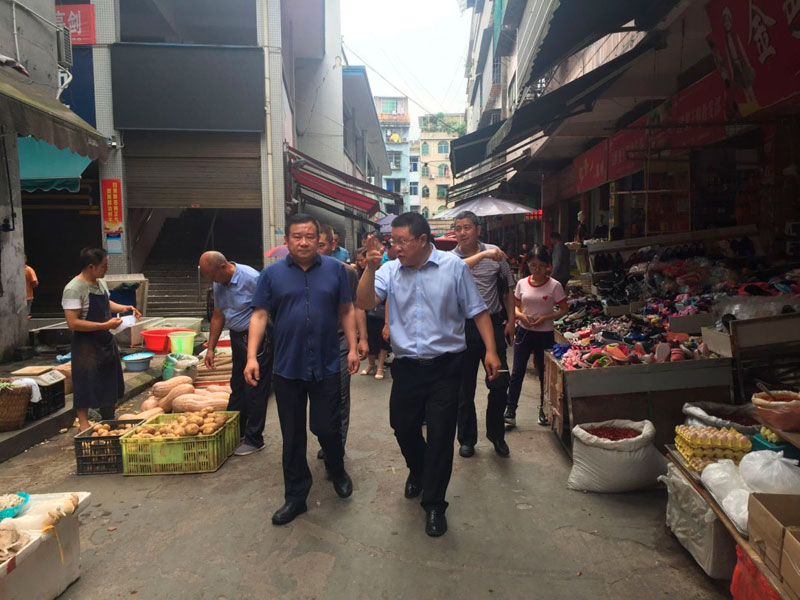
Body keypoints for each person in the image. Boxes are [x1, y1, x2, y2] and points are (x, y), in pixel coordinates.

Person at [357, 212, 502, 537]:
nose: (397, 248)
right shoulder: (390, 270)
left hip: (446, 368)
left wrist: (491, 351)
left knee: (439, 435)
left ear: (423, 240)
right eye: (393, 242)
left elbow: (477, 311)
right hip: (407, 367)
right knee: (402, 427)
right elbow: (364, 301)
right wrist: (370, 266)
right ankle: (418, 469)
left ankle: (435, 504)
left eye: (402, 241)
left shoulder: (453, 269)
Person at [245, 214, 359, 526]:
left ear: (319, 238)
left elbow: (347, 309)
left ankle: (337, 469)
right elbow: (259, 315)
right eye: (297, 236)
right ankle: (296, 496)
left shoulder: (337, 270)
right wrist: (251, 357)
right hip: (287, 367)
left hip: (326, 364)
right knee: (292, 434)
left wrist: (352, 346)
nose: (304, 241)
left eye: (310, 236)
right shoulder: (271, 275)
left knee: (326, 427)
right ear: (287, 241)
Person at [451, 212, 515, 459]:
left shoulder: (496, 254)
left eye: (467, 227)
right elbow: (457, 268)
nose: (462, 232)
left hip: (495, 326)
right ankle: (467, 438)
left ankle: (497, 435)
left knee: (499, 382)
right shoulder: (450, 259)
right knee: (463, 388)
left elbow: (508, 289)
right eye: (458, 228)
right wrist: (485, 255)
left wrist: (511, 321)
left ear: (478, 229)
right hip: (463, 329)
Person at [199, 251, 272, 456]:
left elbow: (265, 311)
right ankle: (236, 431)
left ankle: (254, 438)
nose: (212, 281)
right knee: (237, 385)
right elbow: (218, 315)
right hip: (237, 337)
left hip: (256, 338)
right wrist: (211, 348)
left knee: (254, 387)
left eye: (212, 276)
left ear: (223, 267)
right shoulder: (219, 281)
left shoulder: (251, 278)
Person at [62, 248, 140, 433]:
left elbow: (106, 303)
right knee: (85, 381)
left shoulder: (100, 283)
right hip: (86, 345)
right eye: (104, 266)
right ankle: (83, 423)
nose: (106, 269)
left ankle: (108, 418)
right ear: (91, 266)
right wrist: (104, 325)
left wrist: (126, 307)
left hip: (105, 340)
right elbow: (73, 322)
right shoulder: (74, 288)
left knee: (109, 379)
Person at [316, 225, 369, 458]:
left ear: (332, 245)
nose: (315, 250)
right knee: (317, 399)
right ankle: (326, 440)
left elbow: (356, 307)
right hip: (310, 346)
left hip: (339, 343)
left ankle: (335, 448)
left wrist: (362, 339)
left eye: (321, 245)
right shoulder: (296, 273)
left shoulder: (345, 272)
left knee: (339, 395)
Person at [505, 247, 568, 429]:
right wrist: (521, 316)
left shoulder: (554, 285)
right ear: (528, 265)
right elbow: (516, 306)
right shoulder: (522, 283)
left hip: (545, 334)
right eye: (533, 265)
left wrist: (545, 318)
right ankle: (510, 410)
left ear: (548, 266)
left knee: (544, 373)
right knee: (517, 372)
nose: (537, 269)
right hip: (524, 332)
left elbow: (564, 309)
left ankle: (543, 408)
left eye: (541, 266)